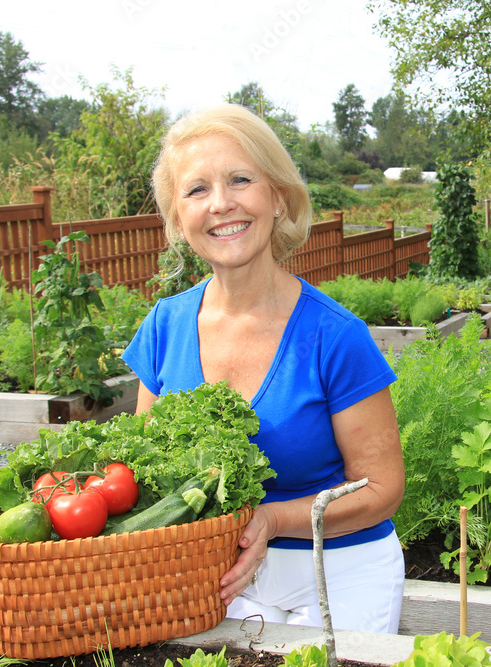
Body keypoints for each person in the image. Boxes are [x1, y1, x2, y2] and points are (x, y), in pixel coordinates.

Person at [121, 103, 406, 634]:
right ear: (179, 221)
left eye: (240, 179)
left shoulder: (334, 336)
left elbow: (381, 489)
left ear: (277, 197)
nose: (221, 204)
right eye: (197, 190)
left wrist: (272, 519)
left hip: (338, 569)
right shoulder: (164, 327)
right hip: (213, 574)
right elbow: (147, 474)